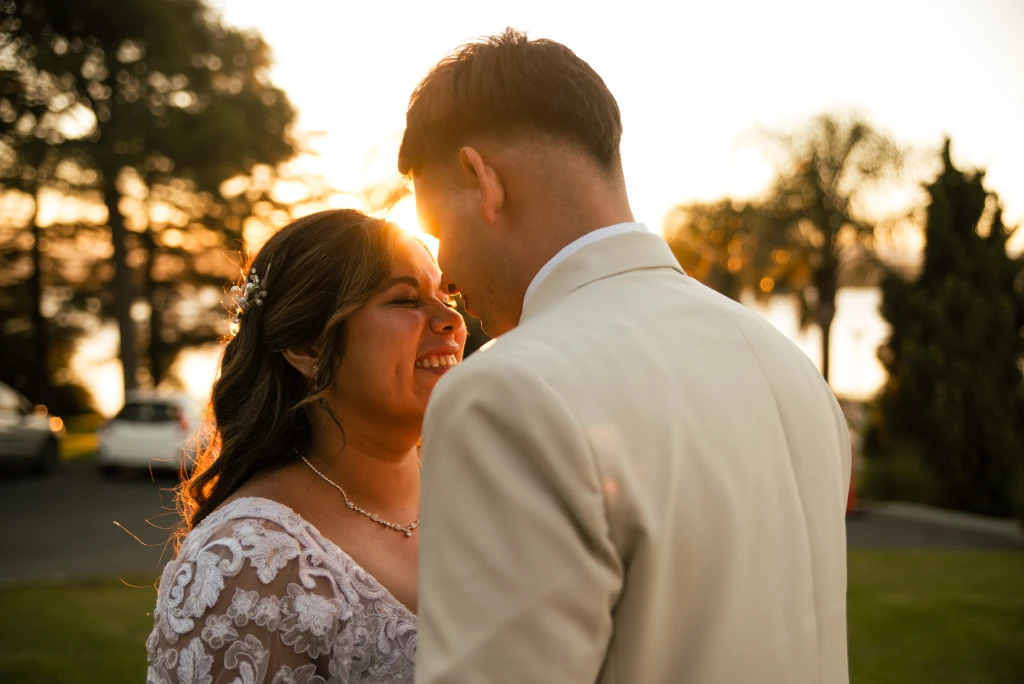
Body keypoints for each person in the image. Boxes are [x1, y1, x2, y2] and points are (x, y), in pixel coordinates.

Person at [401, 29, 852, 683]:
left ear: (482, 180)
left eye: (439, 231)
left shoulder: (505, 391)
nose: (447, 273)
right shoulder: (785, 364)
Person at [145, 209, 465, 683]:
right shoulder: (251, 567)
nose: (451, 321)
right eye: (405, 300)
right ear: (308, 347)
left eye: (446, 295)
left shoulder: (481, 488)